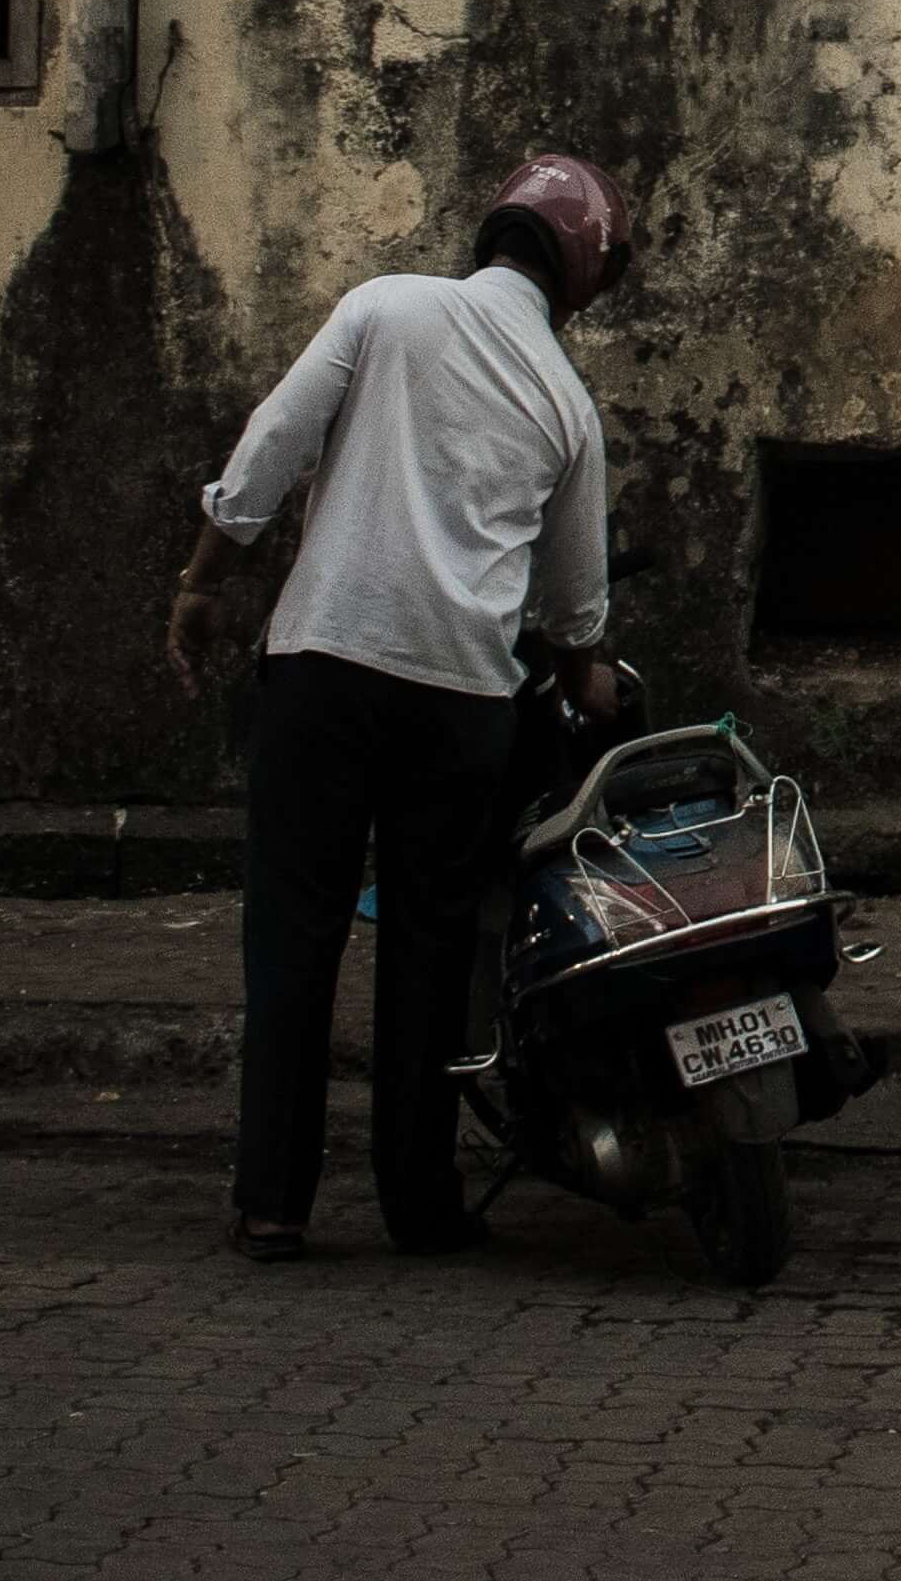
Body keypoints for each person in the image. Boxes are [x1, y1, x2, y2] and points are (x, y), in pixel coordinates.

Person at [169, 152, 634, 1264]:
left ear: (493, 233)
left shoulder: (383, 307)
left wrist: (198, 582)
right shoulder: (566, 402)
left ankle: (273, 1204)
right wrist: (594, 685)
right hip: (462, 700)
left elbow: (270, 450)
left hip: (325, 667)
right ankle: (419, 1205)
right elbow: (576, 612)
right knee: (429, 951)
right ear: (578, 274)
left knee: (293, 936)